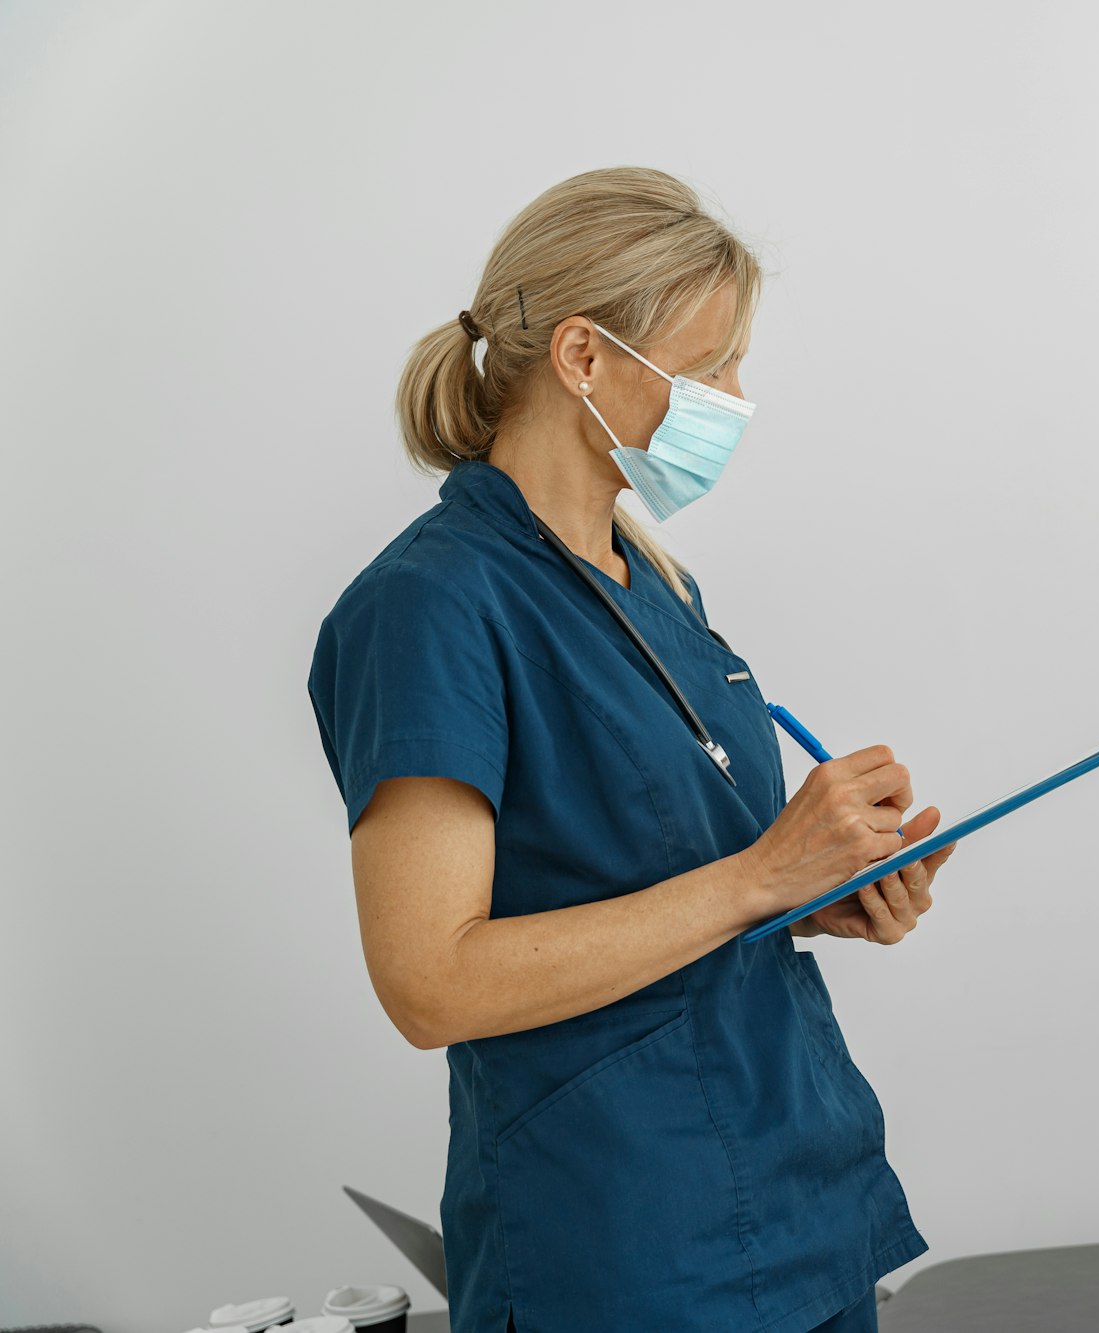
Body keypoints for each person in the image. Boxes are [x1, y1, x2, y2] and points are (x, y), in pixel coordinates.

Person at [306, 167, 955, 1333]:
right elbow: (428, 979)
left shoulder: (655, 577)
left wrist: (813, 893)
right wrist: (759, 875)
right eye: (711, 367)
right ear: (582, 358)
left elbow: (657, 880)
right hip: (620, 1250)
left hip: (798, 1198)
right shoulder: (430, 606)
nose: (736, 397)